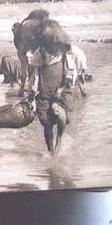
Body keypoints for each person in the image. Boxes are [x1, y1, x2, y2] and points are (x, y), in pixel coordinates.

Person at [30, 22, 75, 153]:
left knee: (62, 116)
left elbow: (70, 74)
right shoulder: (39, 54)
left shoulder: (65, 54)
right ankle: (51, 150)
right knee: (47, 123)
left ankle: (59, 139)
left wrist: (59, 93)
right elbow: (35, 75)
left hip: (61, 90)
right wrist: (32, 92)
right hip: (44, 93)